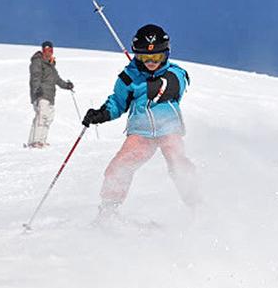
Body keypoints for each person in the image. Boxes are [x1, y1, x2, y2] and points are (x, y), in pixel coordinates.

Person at [81, 24, 198, 222]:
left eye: (157, 57)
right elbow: (118, 102)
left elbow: (178, 83)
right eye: (145, 58)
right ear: (137, 55)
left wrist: (159, 84)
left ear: (166, 54)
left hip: (169, 129)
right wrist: (101, 114)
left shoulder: (174, 72)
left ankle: (197, 204)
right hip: (141, 132)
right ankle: (108, 210)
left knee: (178, 162)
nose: (151, 62)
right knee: (120, 165)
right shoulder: (129, 77)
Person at [27, 41, 74, 148]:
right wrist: (37, 89)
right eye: (46, 50)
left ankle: (40, 141)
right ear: (43, 50)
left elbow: (58, 80)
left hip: (50, 96)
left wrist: (67, 85)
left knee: (48, 118)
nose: (49, 52)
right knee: (42, 116)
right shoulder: (38, 61)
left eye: (51, 50)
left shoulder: (51, 66)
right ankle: (36, 141)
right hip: (41, 93)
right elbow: (35, 76)